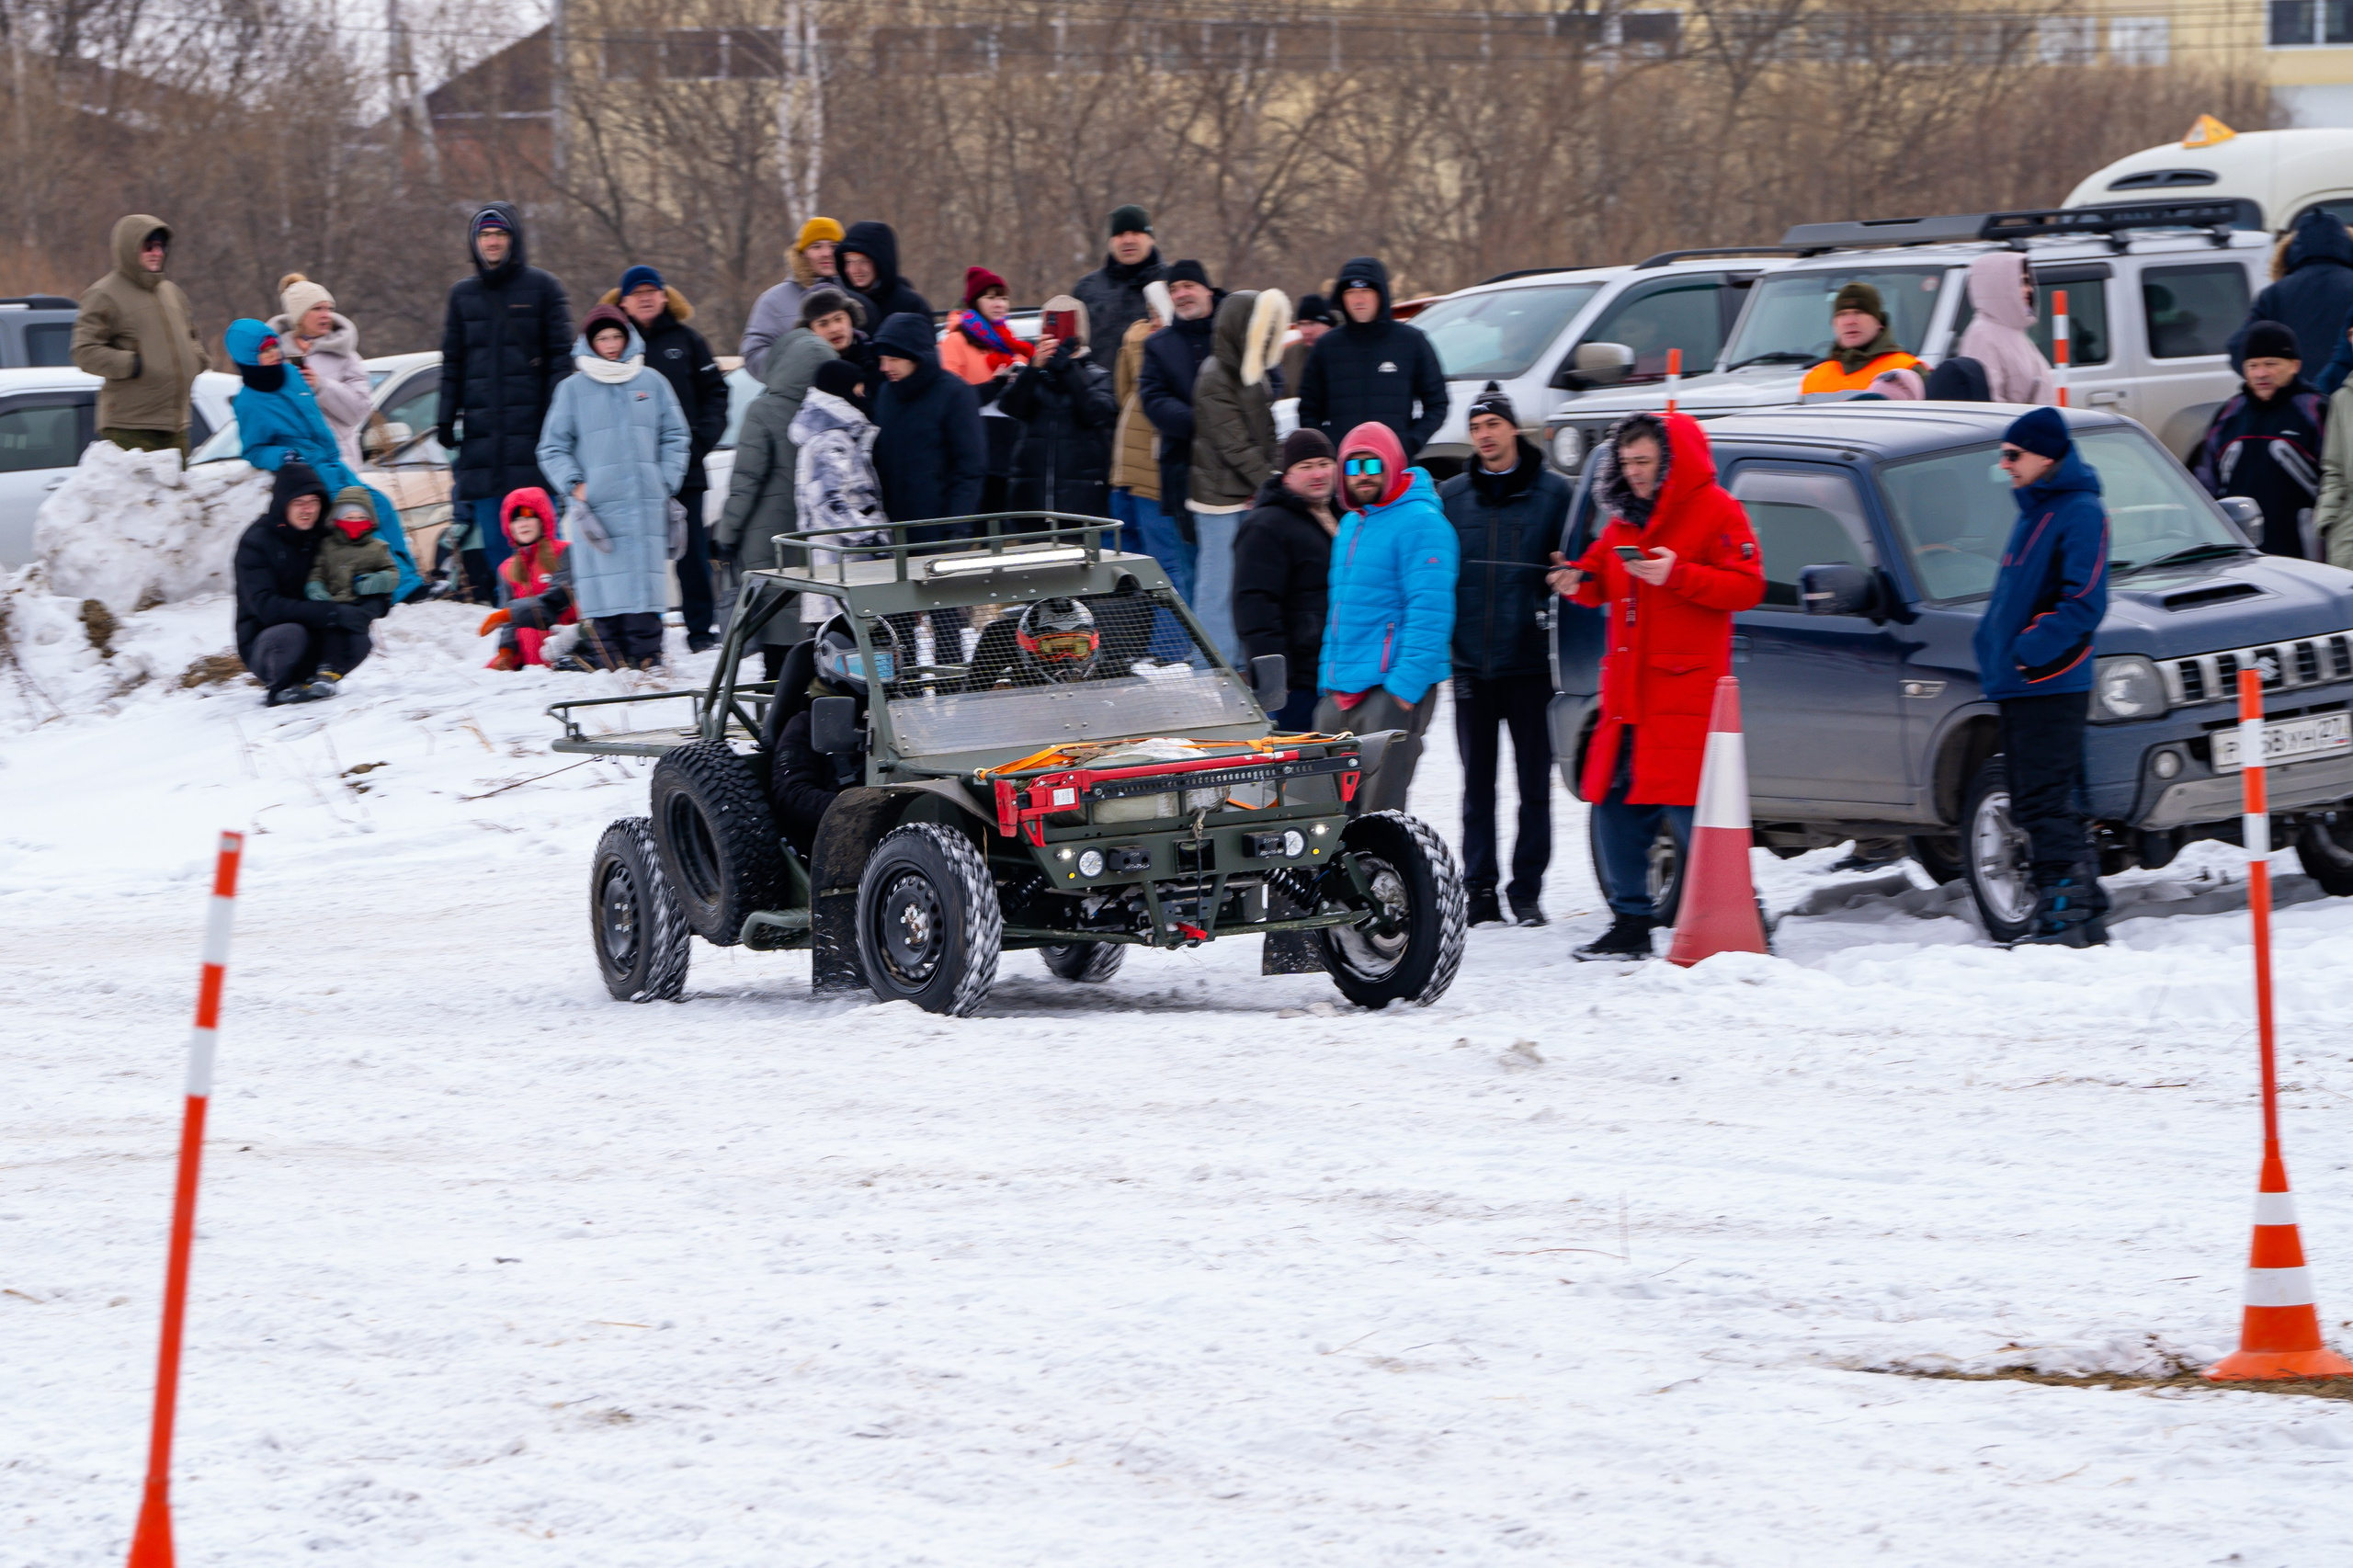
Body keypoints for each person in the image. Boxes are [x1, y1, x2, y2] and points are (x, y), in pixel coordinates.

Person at [1545, 412, 1765, 960]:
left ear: (1671, 462)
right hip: (1630, 700)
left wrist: (1679, 575)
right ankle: (1630, 922)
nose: (1635, 473)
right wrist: (1574, 580)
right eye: (1626, 464)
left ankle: (1745, 916)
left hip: (1686, 699)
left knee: (1701, 815)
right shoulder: (1623, 523)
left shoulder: (1718, 510)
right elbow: (1598, 575)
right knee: (1615, 804)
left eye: (1644, 462)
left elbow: (1748, 585)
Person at [1972, 407, 2111, 947]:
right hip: (2022, 682)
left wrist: (2030, 653)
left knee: (2043, 801)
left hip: (2049, 682)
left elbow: (2083, 601)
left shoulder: (2079, 511)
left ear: (2046, 456)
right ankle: (2084, 907)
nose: (2005, 465)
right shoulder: (2036, 509)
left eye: (2014, 455)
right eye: (2003, 455)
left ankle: (2064, 909)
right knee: (2036, 798)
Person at [1442, 383, 1572, 929]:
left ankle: (1527, 890)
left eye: (1492, 425)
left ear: (1513, 428)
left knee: (1533, 783)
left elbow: (1575, 562)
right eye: (1475, 428)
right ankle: (1479, 891)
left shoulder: (1554, 495)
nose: (1484, 436)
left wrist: (1565, 578)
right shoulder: (1451, 497)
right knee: (1477, 785)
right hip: (1472, 665)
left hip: (1529, 665)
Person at [535, 305, 690, 672]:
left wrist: (664, 480)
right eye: (602, 338)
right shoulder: (572, 389)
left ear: (628, 338)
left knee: (644, 589)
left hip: (644, 505)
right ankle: (611, 662)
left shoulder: (651, 382)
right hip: (598, 510)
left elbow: (675, 435)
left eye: (616, 336)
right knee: (604, 593)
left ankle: (649, 659)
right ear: (589, 342)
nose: (610, 344)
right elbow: (552, 446)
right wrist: (575, 485)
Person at [1313, 421, 1457, 814]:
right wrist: (1329, 680)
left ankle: (1384, 877)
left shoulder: (1421, 522)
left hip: (1389, 693)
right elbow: (1340, 611)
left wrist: (1403, 691)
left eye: (1372, 466)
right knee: (1329, 818)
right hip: (1341, 693)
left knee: (1380, 815)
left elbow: (1430, 614)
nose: (1362, 476)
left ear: (1391, 465)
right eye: (1352, 467)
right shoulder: (1350, 524)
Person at [223, 318, 422, 600]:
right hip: (307, 471)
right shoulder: (248, 401)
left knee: (381, 506)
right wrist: (285, 456)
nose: (274, 354)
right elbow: (254, 449)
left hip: (332, 461)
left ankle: (409, 578)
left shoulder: (292, 375)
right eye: (265, 351)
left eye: (274, 347)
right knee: (356, 514)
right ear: (248, 359)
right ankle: (397, 588)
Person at [438, 203, 574, 597]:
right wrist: (446, 417)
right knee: (499, 540)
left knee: (543, 537)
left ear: (513, 239)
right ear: (475, 242)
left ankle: (555, 614)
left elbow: (560, 357)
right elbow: (453, 361)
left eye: (499, 234)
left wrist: (556, 417)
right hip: (483, 441)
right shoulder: (462, 295)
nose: (492, 242)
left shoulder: (545, 288)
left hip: (533, 438)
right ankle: (511, 626)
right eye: (484, 235)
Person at [608, 265, 729, 651]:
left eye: (652, 291)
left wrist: (697, 444)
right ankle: (640, 631)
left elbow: (717, 395)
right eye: (636, 292)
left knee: (691, 553)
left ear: (664, 296)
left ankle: (700, 631)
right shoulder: (611, 344)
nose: (645, 297)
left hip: (685, 471)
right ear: (622, 301)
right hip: (629, 473)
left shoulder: (688, 341)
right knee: (633, 554)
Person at [718, 295, 839, 677]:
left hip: (767, 541)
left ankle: (777, 717)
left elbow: (745, 481)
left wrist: (726, 533)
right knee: (814, 634)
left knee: (775, 635)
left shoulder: (764, 410)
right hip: (817, 541)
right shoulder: (830, 409)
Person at [1187, 288, 1290, 661]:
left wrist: (1278, 472)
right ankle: (1210, 668)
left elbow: (1267, 432)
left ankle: (1240, 665)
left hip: (1248, 495)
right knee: (1217, 592)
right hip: (1219, 501)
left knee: (1247, 586)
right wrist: (1272, 483)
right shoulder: (1215, 375)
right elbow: (1233, 445)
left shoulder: (1254, 371)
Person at [233, 462, 382, 704]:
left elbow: (368, 572)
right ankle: (283, 684)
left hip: (321, 638)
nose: (307, 510)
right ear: (283, 504)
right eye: (298, 502)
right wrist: (333, 612)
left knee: (359, 638)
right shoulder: (256, 542)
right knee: (290, 634)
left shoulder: (327, 537)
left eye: (313, 501)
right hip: (268, 641)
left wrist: (368, 609)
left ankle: (321, 680)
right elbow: (267, 607)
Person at [72, 214, 206, 457]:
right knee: (139, 496)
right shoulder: (104, 294)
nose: (157, 252)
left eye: (161, 246)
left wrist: (197, 359)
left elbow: (192, 336)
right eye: (148, 246)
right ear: (129, 249)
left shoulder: (172, 293)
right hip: (131, 427)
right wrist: (132, 364)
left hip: (176, 424)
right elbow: (84, 351)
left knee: (175, 495)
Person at [2193, 319, 2328, 560]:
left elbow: (2338, 480)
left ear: (2295, 365)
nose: (2261, 373)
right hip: (2241, 557)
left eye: (2271, 364)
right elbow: (2205, 483)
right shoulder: (2229, 414)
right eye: (2252, 365)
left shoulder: (2315, 410)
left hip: (2305, 556)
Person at [1234, 428, 1339, 732]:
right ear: (1286, 476)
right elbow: (1254, 606)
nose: (1317, 474)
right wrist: (1274, 682)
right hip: (1297, 682)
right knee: (1306, 769)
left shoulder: (1339, 514)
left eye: (1323, 463)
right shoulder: (1266, 526)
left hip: (1335, 672)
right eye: (1305, 467)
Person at [1295, 257, 1447, 457]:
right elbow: (1308, 410)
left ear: (1381, 295)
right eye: (1351, 293)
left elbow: (1437, 403)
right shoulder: (1326, 347)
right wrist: (1328, 448)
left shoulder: (1411, 342)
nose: (1358, 300)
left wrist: (1409, 443)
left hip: (1396, 464)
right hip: (1344, 468)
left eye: (1366, 292)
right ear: (1342, 299)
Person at [870, 312, 985, 541]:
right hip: (892, 530)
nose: (884, 367)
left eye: (893, 359)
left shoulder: (956, 394)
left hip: (938, 531)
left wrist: (957, 529)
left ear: (915, 356)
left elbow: (970, 469)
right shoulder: (886, 394)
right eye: (882, 359)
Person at [771, 614, 879, 857]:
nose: (873, 676)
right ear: (831, 663)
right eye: (860, 667)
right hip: (842, 839)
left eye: (882, 664)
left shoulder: (898, 712)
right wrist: (851, 808)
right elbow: (790, 793)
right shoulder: (804, 723)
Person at [1001, 294, 1117, 517]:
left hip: (1081, 503)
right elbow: (1011, 408)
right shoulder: (1032, 375)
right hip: (1030, 501)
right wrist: (1033, 369)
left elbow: (1097, 414)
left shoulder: (1098, 376)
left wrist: (1069, 370)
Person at [793, 360, 887, 631]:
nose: (862, 392)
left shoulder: (834, 435)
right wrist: (870, 536)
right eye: (857, 385)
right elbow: (828, 502)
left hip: (841, 561)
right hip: (842, 562)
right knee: (847, 644)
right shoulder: (832, 440)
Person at [1138, 259, 1222, 552]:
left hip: (1236, 470)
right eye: (1174, 289)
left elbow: (1270, 380)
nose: (1181, 294)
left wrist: (1232, 422)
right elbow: (1153, 398)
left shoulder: (1235, 332)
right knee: (1191, 569)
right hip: (1182, 473)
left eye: (1189, 286)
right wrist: (1201, 423)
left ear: (1208, 290)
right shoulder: (1159, 344)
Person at [942, 267, 1036, 512]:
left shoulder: (1012, 342)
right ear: (975, 301)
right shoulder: (955, 341)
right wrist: (994, 385)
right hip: (977, 448)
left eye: (1003, 298)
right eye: (991, 297)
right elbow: (950, 401)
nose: (999, 304)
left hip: (1013, 451)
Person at [1109, 281, 1178, 582]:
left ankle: (1136, 628)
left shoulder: (1134, 339)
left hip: (1126, 468)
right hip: (1150, 472)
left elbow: (1122, 394)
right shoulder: (1172, 346)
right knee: (1164, 564)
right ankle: (1173, 630)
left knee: (1125, 565)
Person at [269, 275, 372, 471]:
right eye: (317, 309)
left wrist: (321, 386)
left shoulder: (346, 356)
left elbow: (359, 412)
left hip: (339, 465)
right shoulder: (274, 356)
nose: (326, 315)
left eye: (329, 309)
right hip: (293, 468)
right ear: (298, 315)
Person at [2235, 209, 2353, 378]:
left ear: (2290, 250)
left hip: (2299, 401)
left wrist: (2274, 382)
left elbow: (2239, 348)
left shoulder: (2274, 295)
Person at [477, 488, 574, 669]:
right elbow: (509, 624)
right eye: (516, 519)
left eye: (529, 517)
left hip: (566, 652)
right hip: (529, 661)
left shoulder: (565, 552)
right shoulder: (506, 568)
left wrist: (508, 614)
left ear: (543, 520)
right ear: (509, 527)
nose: (522, 524)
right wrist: (506, 652)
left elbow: (558, 598)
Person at [741, 216, 845, 378]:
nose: (827, 253)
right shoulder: (773, 300)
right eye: (816, 247)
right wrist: (793, 368)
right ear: (802, 254)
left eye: (834, 246)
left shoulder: (857, 295)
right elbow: (753, 354)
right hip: (798, 398)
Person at [1954, 254, 2055, 407]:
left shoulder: (2014, 332)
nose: (2029, 289)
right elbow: (1991, 405)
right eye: (2021, 282)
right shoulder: (1983, 335)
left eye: (2029, 282)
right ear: (1999, 285)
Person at [1798, 282, 1922, 396]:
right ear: (1834, 324)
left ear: (1879, 322)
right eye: (1842, 314)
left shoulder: (1908, 371)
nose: (1850, 321)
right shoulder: (1813, 378)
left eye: (1859, 313)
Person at [1072, 205, 1165, 349]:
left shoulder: (1174, 283)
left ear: (1151, 239)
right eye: (1120, 234)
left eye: (1136, 232)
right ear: (1111, 242)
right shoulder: (1087, 288)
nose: (1128, 240)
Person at [306, 487, 399, 608]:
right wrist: (315, 588)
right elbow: (317, 573)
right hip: (333, 603)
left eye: (362, 518)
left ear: (370, 520)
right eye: (349, 517)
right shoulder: (326, 546)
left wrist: (379, 581)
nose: (355, 522)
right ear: (337, 520)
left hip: (364, 603)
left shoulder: (377, 547)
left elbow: (393, 573)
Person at [836, 222, 930, 326]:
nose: (855, 270)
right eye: (849, 262)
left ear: (882, 262)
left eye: (864, 261)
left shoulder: (910, 305)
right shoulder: (839, 304)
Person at [1279, 293, 1336, 395]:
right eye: (1301, 324)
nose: (1306, 331)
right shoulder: (1289, 355)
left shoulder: (1345, 352)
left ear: (1328, 326)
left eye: (1312, 323)